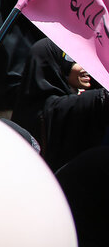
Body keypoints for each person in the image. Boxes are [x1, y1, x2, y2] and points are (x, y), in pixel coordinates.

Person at [12, 38, 109, 170]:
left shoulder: (28, 109)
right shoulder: (54, 109)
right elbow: (100, 99)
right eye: (75, 60)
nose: (86, 66)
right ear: (55, 65)